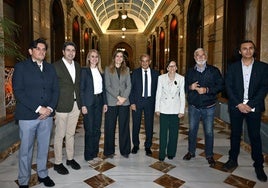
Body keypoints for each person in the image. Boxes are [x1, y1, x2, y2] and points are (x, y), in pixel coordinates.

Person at [12, 38, 59, 188]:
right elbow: (18, 92)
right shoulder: (21, 67)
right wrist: (39, 108)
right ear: (31, 51)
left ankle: (43, 174)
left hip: (47, 117)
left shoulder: (50, 68)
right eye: (38, 49)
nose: (42, 52)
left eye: (44, 49)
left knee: (44, 148)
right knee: (26, 150)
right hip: (28, 116)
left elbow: (55, 90)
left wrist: (50, 109)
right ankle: (24, 181)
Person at [222, 40, 268, 182]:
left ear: (254, 50)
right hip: (237, 106)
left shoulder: (263, 67)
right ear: (240, 51)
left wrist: (250, 104)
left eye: (250, 48)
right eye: (245, 49)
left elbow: (264, 88)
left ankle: (259, 166)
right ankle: (232, 160)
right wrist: (239, 104)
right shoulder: (233, 67)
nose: (248, 51)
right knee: (235, 134)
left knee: (255, 136)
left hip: (254, 107)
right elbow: (228, 87)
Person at [183, 48, 223, 166]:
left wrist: (207, 90)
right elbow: (183, 87)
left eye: (202, 55)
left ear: (206, 56)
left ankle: (209, 155)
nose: (200, 57)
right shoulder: (190, 72)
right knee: (192, 130)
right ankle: (191, 152)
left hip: (209, 106)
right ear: (194, 58)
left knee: (209, 132)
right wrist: (190, 87)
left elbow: (220, 86)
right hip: (194, 106)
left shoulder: (214, 71)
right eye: (198, 55)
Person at [53, 41, 81, 175]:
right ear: (63, 52)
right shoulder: (56, 66)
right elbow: (52, 88)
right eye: (68, 50)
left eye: (73, 50)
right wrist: (53, 107)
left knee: (70, 134)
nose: (71, 53)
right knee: (60, 135)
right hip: (61, 106)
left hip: (75, 105)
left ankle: (70, 159)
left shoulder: (77, 66)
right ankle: (58, 163)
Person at [80, 49, 107, 165]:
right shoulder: (84, 71)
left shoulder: (101, 72)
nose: (94, 58)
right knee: (89, 130)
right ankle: (88, 155)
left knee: (97, 129)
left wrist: (105, 103)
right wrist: (83, 105)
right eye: (92, 56)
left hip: (99, 101)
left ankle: (95, 154)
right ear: (88, 58)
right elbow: (81, 89)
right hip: (88, 103)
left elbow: (104, 89)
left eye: (96, 56)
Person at [155, 60, 185, 161]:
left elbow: (182, 96)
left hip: (175, 109)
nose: (172, 68)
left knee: (174, 133)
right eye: (170, 66)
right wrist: (157, 108)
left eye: (174, 66)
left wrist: (182, 110)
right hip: (164, 108)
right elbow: (158, 94)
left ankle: (171, 152)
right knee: (163, 132)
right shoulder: (161, 78)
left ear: (176, 68)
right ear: (167, 68)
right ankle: (162, 153)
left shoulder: (181, 78)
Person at [103, 50, 131, 158]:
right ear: (114, 58)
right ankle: (109, 151)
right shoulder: (108, 69)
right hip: (112, 102)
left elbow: (129, 85)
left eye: (121, 56)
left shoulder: (127, 69)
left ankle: (125, 151)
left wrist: (123, 98)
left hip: (124, 102)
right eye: (117, 56)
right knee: (110, 127)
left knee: (124, 127)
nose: (119, 58)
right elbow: (107, 86)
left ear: (123, 59)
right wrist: (118, 97)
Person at [130, 54, 159, 156]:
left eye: (146, 61)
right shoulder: (135, 73)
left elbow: (158, 90)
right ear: (140, 62)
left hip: (150, 102)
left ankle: (148, 146)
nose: (144, 63)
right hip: (137, 102)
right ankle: (136, 145)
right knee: (136, 124)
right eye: (142, 61)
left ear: (150, 62)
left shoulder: (156, 74)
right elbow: (131, 89)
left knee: (149, 125)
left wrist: (158, 104)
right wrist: (132, 102)